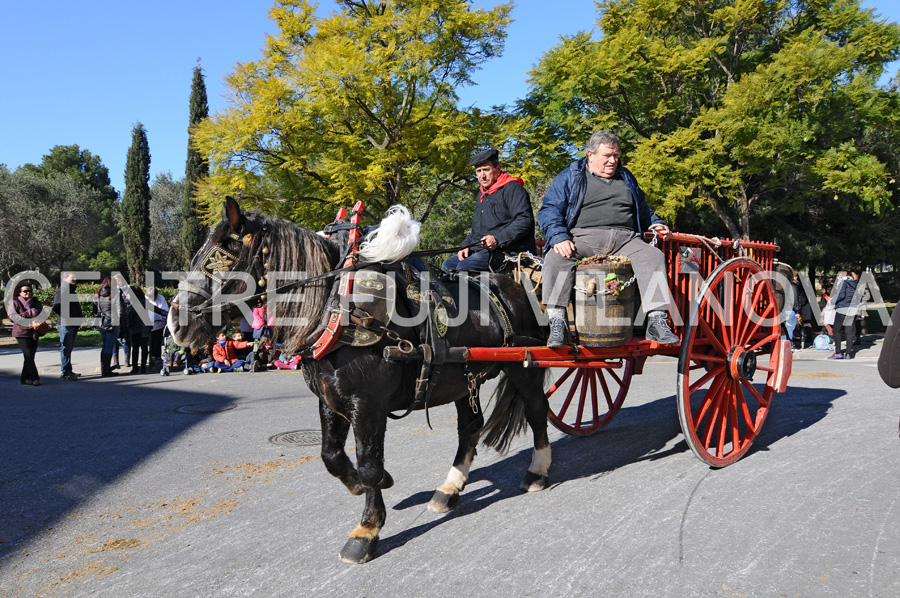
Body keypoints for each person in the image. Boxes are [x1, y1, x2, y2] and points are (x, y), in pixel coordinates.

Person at [538, 130, 679, 347]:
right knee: (556, 258)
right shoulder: (570, 177)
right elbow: (549, 210)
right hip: (582, 238)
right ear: (590, 155)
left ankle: (656, 321)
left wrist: (655, 222)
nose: (613, 160)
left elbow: (642, 209)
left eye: (615, 155)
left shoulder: (626, 177)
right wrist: (558, 237)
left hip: (625, 240)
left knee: (653, 256)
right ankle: (558, 324)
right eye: (607, 156)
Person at [441, 148, 536, 272]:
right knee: (447, 266)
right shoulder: (482, 195)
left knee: (464, 267)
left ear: (497, 169)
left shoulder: (513, 188)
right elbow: (478, 230)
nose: (482, 175)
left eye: (486, 170)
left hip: (507, 251)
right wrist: (465, 245)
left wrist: (497, 239)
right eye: (478, 171)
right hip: (481, 251)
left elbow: (525, 220)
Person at [10, 281, 44, 386]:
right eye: (25, 291)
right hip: (21, 332)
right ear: (19, 292)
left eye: (30, 291)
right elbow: (12, 317)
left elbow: (41, 312)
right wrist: (29, 313)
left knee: (30, 356)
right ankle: (35, 378)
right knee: (28, 354)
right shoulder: (15, 303)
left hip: (34, 331)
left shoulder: (36, 302)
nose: (28, 293)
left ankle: (24, 378)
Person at [52, 272, 83, 381]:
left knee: (68, 348)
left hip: (72, 323)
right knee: (65, 348)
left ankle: (68, 370)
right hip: (66, 324)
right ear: (65, 278)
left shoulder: (71, 290)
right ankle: (66, 372)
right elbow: (56, 307)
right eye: (72, 277)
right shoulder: (63, 290)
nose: (75, 279)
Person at [94, 277, 124, 377]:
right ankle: (106, 370)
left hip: (102, 323)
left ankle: (104, 368)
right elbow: (120, 311)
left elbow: (96, 309)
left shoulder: (98, 294)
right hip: (113, 323)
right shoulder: (115, 294)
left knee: (105, 345)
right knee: (109, 346)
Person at [828, 270, 859, 360]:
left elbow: (841, 295)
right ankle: (848, 354)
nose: (837, 278)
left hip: (842, 309)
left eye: (838, 276)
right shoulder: (856, 285)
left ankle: (838, 353)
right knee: (849, 332)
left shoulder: (843, 283)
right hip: (852, 310)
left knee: (836, 330)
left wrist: (832, 301)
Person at [146, 287, 169, 368]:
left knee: (158, 341)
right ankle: (152, 358)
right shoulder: (145, 299)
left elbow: (165, 309)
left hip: (159, 324)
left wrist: (163, 318)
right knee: (151, 343)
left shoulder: (161, 298)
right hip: (149, 324)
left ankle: (158, 358)